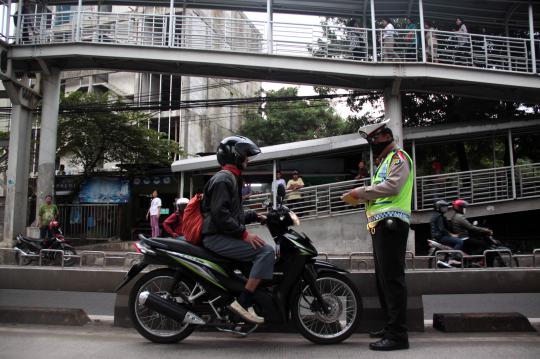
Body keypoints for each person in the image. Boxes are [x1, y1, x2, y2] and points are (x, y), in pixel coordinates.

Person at [342, 120, 413, 351]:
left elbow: (393, 187)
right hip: (381, 225)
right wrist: (360, 197)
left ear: (385, 137)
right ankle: (390, 327)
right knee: (383, 281)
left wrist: (360, 192)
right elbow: (380, 192)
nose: (372, 144)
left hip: (392, 225)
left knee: (392, 280)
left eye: (374, 139)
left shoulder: (398, 158)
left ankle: (398, 336)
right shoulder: (383, 162)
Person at [201, 135, 274, 324]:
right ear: (236, 156)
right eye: (245, 156)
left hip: (221, 234)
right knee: (266, 251)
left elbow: (233, 213)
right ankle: (244, 302)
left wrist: (255, 216)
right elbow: (220, 214)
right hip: (216, 236)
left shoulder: (230, 178)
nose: (247, 160)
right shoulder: (224, 179)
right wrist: (244, 234)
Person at [430, 200, 464, 266]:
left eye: (446, 207)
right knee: (460, 242)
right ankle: (452, 259)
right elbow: (442, 229)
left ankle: (447, 259)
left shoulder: (436, 215)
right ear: (438, 208)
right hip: (440, 237)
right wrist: (452, 235)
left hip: (437, 236)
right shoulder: (439, 216)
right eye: (443, 207)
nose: (446, 209)